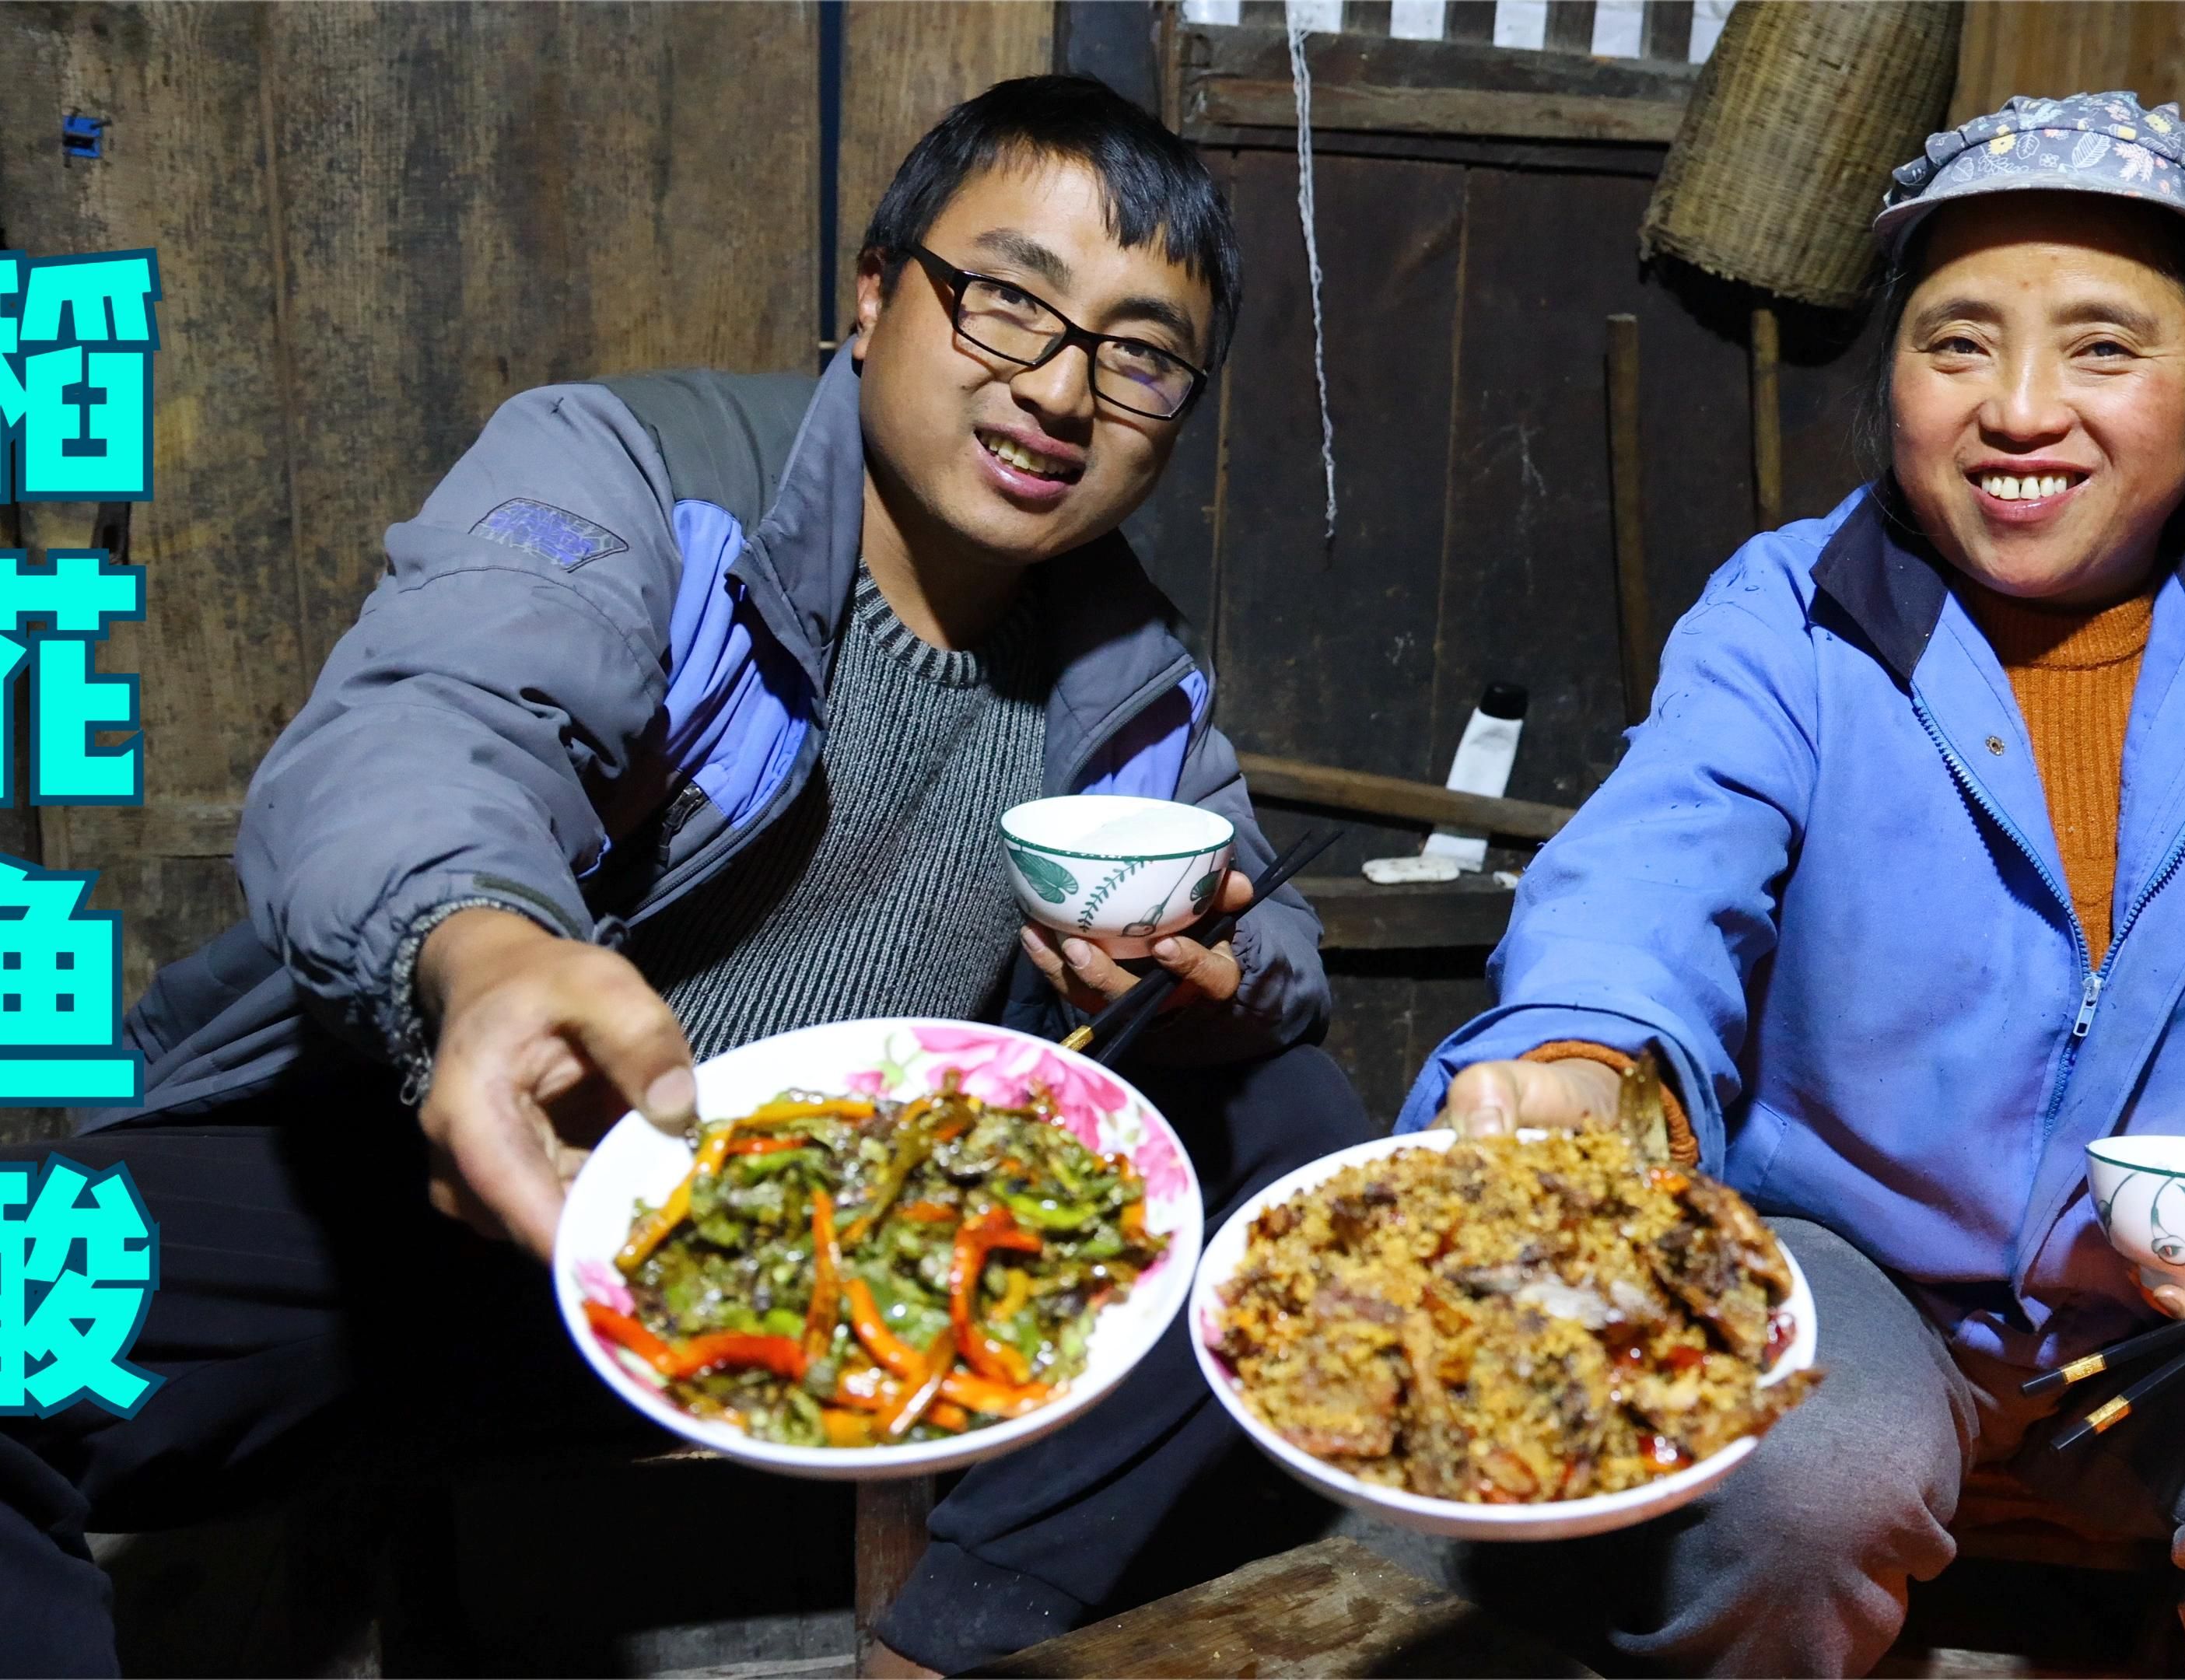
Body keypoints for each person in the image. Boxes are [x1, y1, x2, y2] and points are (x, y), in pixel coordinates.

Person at [0, 75, 1367, 1676]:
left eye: (1137, 355)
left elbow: (1269, 916)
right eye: (1009, 302)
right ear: (875, 295)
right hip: (477, 1205)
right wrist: (482, 953)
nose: (1061, 391)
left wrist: (1215, 977)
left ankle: (960, 1642)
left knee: (1294, 1135)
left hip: (859, 1263)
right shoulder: (640, 476)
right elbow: (438, 711)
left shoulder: (1129, 673)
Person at [1402, 93, 2185, 1677]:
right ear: (1892, 385)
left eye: (2103, 347)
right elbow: (1655, 872)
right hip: (1856, 1269)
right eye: (1955, 344)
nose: (2020, 408)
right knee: (1808, 1471)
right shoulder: (1796, 619)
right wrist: (1583, 1058)